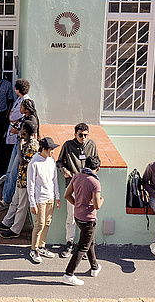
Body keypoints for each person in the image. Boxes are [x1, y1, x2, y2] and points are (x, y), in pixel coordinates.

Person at [54, 122, 99, 258]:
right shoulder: (68, 145)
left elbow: (97, 161)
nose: (83, 138)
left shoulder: (92, 145)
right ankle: (70, 242)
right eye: (80, 135)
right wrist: (65, 171)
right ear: (75, 134)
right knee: (71, 216)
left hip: (88, 187)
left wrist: (94, 174)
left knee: (88, 217)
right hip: (73, 184)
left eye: (85, 135)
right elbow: (59, 162)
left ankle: (84, 246)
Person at [59, 155, 103, 286]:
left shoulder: (77, 176)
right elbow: (97, 206)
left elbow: (67, 195)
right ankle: (68, 274)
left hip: (78, 216)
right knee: (83, 246)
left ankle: (94, 267)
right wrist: (102, 200)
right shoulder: (95, 182)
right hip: (89, 219)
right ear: (98, 168)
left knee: (89, 241)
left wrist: (77, 204)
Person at [0, 119, 39, 238]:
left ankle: (15, 230)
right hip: (20, 179)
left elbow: (23, 162)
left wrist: (20, 146)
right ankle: (6, 223)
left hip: (26, 182)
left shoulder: (32, 146)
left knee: (21, 207)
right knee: (14, 202)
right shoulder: (27, 143)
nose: (21, 134)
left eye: (23, 132)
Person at [0, 97, 38, 212]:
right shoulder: (26, 118)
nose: (20, 108)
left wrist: (17, 132)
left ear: (27, 109)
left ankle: (7, 200)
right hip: (18, 145)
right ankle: (6, 197)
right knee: (10, 172)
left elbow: (31, 136)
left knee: (12, 173)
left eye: (21, 107)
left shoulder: (32, 121)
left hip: (22, 148)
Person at [0, 78, 30, 194]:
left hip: (17, 135)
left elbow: (12, 117)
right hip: (12, 132)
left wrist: (11, 115)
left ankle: (8, 185)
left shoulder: (25, 101)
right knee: (7, 156)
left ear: (16, 89)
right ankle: (5, 177)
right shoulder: (20, 99)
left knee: (11, 161)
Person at [27, 137, 61, 263]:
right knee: (39, 224)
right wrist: (32, 203)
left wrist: (57, 196)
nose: (53, 151)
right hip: (39, 199)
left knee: (47, 223)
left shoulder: (51, 160)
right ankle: (33, 249)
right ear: (44, 149)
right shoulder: (34, 163)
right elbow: (30, 185)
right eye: (51, 149)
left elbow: (54, 179)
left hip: (50, 197)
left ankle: (41, 246)